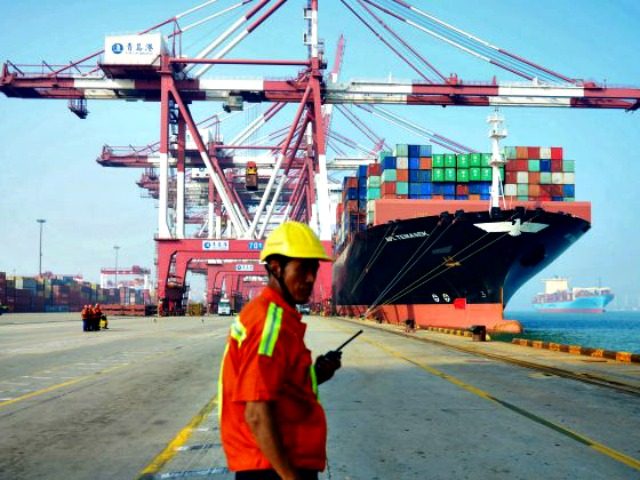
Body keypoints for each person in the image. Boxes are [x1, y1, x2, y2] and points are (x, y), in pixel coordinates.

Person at [219, 221, 342, 480]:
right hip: (274, 467)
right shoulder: (268, 323)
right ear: (275, 268)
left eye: (314, 269)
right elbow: (256, 411)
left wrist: (316, 374)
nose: (310, 278)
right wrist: (289, 476)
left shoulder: (279, 318)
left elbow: (277, 384)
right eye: (302, 269)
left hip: (277, 463)